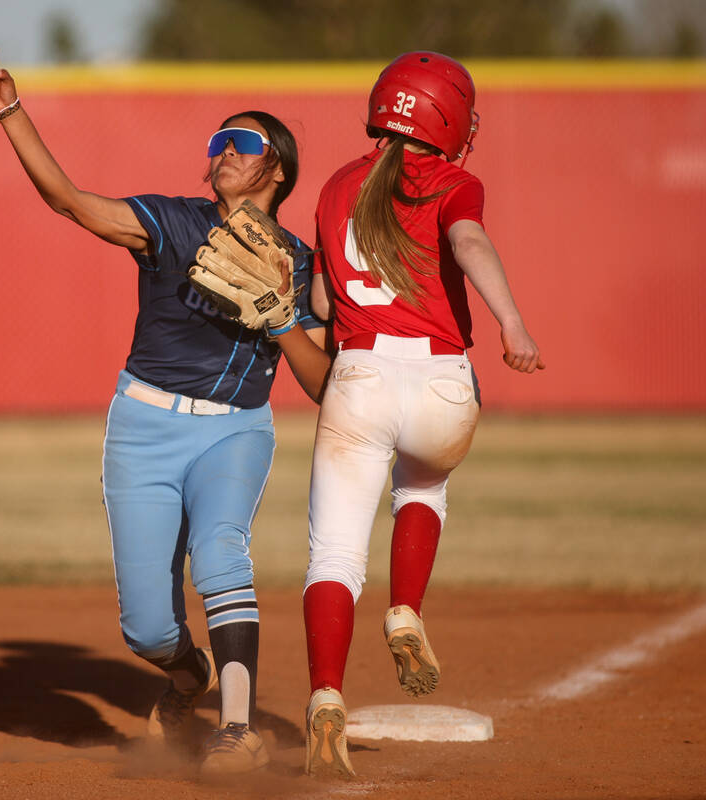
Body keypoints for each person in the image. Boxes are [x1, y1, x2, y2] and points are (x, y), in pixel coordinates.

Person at [0, 68, 324, 774]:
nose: (223, 150)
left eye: (241, 141)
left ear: (276, 167)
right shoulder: (174, 221)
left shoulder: (302, 265)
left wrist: (281, 314)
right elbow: (68, 201)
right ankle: (187, 673)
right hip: (143, 426)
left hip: (234, 431)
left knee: (222, 551)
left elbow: (319, 381)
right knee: (147, 628)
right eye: (218, 139)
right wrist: (9, 111)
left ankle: (236, 730)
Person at [263, 51, 546, 779]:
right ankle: (406, 612)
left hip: (358, 377)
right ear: (447, 118)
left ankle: (327, 698)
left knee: (332, 558)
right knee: (423, 486)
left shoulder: (335, 186)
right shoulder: (456, 181)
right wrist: (512, 323)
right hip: (442, 379)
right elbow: (468, 240)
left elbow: (324, 308)